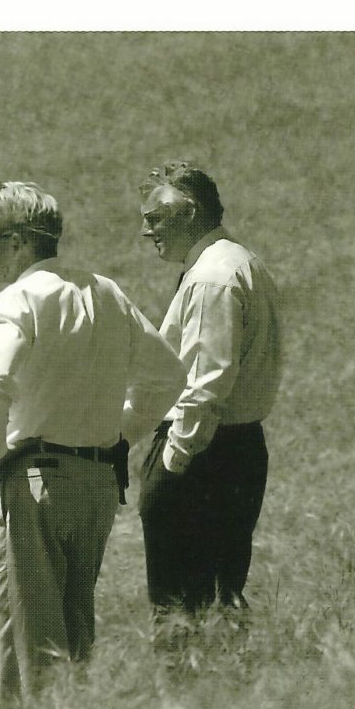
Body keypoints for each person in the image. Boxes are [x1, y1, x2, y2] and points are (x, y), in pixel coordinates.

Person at [0, 180, 186, 708]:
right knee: (75, 634)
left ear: (17, 241)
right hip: (95, 483)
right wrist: (119, 435)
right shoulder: (104, 291)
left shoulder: (19, 299)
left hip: (35, 480)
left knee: (25, 640)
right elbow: (168, 377)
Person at [137, 161, 283, 616]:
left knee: (182, 609)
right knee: (220, 599)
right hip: (235, 449)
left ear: (190, 212)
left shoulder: (211, 278)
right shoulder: (238, 261)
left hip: (203, 457)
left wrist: (173, 463)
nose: (146, 231)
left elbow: (206, 384)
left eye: (155, 218)